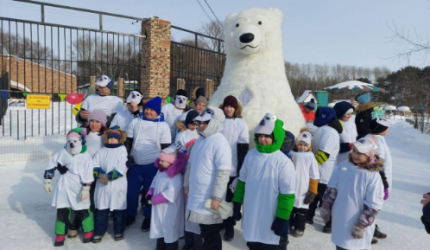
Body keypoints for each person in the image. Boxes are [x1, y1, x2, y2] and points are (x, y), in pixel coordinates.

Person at [232, 113, 296, 250]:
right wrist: (237, 203)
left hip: (270, 216)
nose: (262, 139)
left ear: (275, 137)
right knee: (253, 244)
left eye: (266, 136)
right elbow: (242, 181)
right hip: (252, 214)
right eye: (260, 136)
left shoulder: (283, 162)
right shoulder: (251, 155)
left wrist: (282, 218)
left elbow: (287, 193)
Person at [320, 137, 384, 250]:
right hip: (341, 220)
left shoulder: (372, 175)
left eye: (360, 153)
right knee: (340, 246)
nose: (355, 155)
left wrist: (361, 225)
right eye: (354, 151)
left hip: (357, 224)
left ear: (369, 154)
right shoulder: (343, 166)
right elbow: (332, 188)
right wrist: (326, 206)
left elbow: (373, 204)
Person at [184, 107, 232, 250]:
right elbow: (190, 165)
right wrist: (186, 185)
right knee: (204, 230)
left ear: (215, 122)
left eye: (206, 123)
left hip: (209, 197)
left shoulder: (220, 142)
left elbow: (223, 172)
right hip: (197, 195)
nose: (202, 126)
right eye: (200, 123)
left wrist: (217, 197)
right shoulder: (199, 141)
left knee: (211, 232)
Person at [125, 96, 172, 231]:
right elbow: (128, 142)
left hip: (154, 165)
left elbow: (166, 147)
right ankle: (130, 214)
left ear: (158, 112)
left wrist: (165, 164)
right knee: (131, 192)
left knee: (150, 193)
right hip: (136, 164)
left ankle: (148, 216)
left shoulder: (163, 126)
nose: (149, 112)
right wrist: (127, 157)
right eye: (147, 109)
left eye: (152, 110)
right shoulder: (135, 123)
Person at [43, 128, 94, 246]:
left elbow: (88, 172)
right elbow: (52, 164)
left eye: (75, 140)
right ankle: (60, 234)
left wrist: (86, 188)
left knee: (83, 210)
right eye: (69, 140)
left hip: (79, 186)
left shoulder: (86, 156)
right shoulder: (63, 152)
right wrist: (47, 180)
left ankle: (88, 231)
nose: (72, 143)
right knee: (62, 210)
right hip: (64, 185)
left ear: (81, 140)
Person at [307, 107, 343, 234]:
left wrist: (310, 166)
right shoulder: (323, 129)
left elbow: (324, 154)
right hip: (319, 170)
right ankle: (308, 216)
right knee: (314, 194)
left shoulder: (329, 132)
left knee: (325, 198)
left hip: (323, 171)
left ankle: (331, 222)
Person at [219, 95, 249, 241]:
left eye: (231, 106)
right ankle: (221, 220)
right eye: (226, 106)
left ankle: (230, 224)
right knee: (219, 195)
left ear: (236, 108)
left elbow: (243, 149)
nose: (228, 109)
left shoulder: (241, 124)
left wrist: (240, 169)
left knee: (230, 199)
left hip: (233, 167)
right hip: (219, 166)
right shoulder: (218, 121)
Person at [147, 144, 187, 250]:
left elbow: (171, 193)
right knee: (160, 228)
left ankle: (171, 247)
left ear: (172, 162)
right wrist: (150, 192)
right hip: (159, 209)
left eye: (162, 160)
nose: (159, 162)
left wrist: (154, 200)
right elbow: (154, 182)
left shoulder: (176, 177)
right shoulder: (160, 172)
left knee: (170, 229)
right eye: (160, 160)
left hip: (169, 209)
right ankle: (160, 246)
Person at [92, 126, 128, 243]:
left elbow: (122, 167)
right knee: (101, 211)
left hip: (117, 186)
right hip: (103, 186)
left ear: (120, 139)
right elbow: (94, 164)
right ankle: (99, 231)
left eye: (115, 138)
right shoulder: (102, 151)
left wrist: (109, 177)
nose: (112, 139)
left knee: (118, 212)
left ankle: (118, 231)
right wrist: (101, 175)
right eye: (110, 137)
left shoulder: (122, 150)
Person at [367, 118, 393, 241]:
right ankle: (367, 231)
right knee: (372, 204)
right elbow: (378, 165)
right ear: (380, 129)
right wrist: (385, 184)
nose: (388, 129)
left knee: (373, 205)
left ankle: (372, 227)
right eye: (386, 127)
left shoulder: (377, 139)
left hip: (378, 179)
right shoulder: (376, 142)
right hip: (377, 180)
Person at [290, 129, 319, 238]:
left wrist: (312, 190)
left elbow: (314, 174)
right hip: (292, 186)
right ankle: (288, 225)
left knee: (302, 210)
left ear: (309, 146)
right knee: (290, 208)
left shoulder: (310, 156)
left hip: (304, 188)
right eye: (300, 144)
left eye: (305, 145)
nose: (302, 147)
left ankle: (299, 227)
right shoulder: (292, 154)